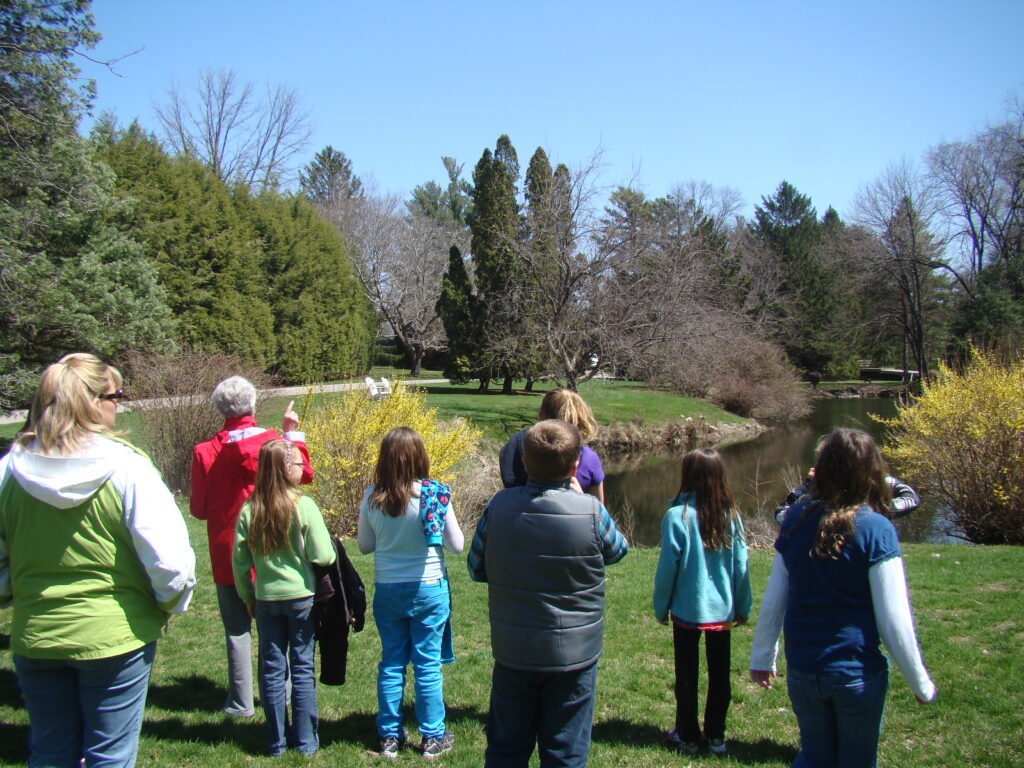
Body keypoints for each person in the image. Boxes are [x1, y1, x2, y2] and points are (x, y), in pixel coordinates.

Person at [0, 353, 196, 768]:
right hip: (116, 636)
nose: (118, 404)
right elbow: (172, 565)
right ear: (92, 401)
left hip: (38, 634)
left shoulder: (9, 471)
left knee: (50, 754)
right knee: (110, 757)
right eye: (116, 395)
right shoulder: (127, 468)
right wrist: (165, 605)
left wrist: (17, 592)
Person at [749, 428, 936, 768]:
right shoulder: (877, 528)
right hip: (856, 673)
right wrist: (920, 683)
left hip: (804, 670)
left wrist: (763, 656)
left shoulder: (794, 520)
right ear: (871, 471)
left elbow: (775, 598)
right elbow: (894, 621)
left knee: (813, 756)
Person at [469, 419, 629, 768]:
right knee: (566, 754)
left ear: (524, 462)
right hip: (575, 654)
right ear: (575, 467)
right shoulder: (590, 510)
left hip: (514, 650)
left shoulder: (498, 507)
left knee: (506, 750)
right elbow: (618, 551)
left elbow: (476, 566)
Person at [190, 376, 312, 718]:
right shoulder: (272, 443)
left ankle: (240, 701)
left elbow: (198, 509)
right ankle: (283, 696)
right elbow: (303, 475)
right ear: (253, 406)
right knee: (281, 631)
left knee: (236, 630)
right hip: (275, 546)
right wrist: (292, 436)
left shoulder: (205, 452)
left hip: (228, 551)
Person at [357, 427, 464, 759]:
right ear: (421, 456)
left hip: (388, 588)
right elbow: (457, 546)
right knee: (427, 664)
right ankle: (432, 736)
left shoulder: (371, 496)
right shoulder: (434, 495)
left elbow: (364, 546)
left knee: (391, 663)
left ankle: (389, 735)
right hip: (428, 588)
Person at [232, 439, 336, 755]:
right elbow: (323, 555)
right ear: (284, 469)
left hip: (265, 599)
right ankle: (305, 741)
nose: (303, 468)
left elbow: (239, 562)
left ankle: (275, 741)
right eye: (298, 464)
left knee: (272, 669)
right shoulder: (303, 506)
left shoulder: (250, 508)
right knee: (302, 668)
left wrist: (247, 595)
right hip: (301, 598)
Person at [653, 448, 752, 757]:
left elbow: (667, 569)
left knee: (686, 675)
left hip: (687, 609)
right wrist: (742, 606)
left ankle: (688, 735)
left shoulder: (677, 516)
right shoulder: (730, 515)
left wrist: (661, 606)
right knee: (720, 675)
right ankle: (716, 735)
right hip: (722, 610)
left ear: (687, 476)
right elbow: (740, 566)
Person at [499, 388, 606, 502]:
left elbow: (509, 488)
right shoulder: (589, 458)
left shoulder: (518, 446)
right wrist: (582, 499)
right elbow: (599, 511)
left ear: (541, 416)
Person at [774, 467, 920, 524]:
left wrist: (807, 484)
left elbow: (780, 512)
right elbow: (911, 499)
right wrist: (879, 476)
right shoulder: (872, 511)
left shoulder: (807, 510)